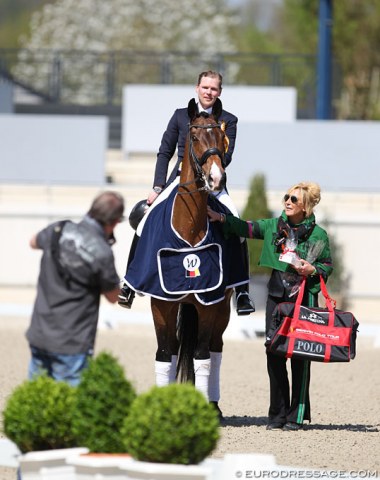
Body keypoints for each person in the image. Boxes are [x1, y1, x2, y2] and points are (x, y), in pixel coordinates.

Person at [118, 70, 255, 315]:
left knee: (236, 224)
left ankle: (242, 290)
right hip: (180, 179)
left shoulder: (229, 120)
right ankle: (129, 283)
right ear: (197, 88)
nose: (209, 92)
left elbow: (228, 155)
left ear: (220, 92)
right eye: (205, 87)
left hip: (213, 181)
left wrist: (211, 171)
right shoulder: (180, 116)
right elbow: (165, 152)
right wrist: (158, 186)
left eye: (214, 89)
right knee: (145, 221)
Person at [208, 181, 333, 430]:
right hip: (276, 296)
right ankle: (276, 415)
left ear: (306, 207)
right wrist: (220, 217)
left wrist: (312, 269)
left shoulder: (319, 235)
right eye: (287, 197)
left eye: (294, 199)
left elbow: (327, 266)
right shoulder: (274, 226)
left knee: (300, 356)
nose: (287, 201)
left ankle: (295, 416)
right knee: (273, 353)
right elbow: (246, 227)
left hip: (304, 300)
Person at [26, 191, 125, 386]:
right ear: (114, 223)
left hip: (40, 332)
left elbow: (32, 242)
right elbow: (113, 297)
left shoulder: (59, 229)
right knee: (69, 408)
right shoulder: (101, 252)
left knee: (37, 400)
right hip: (72, 342)